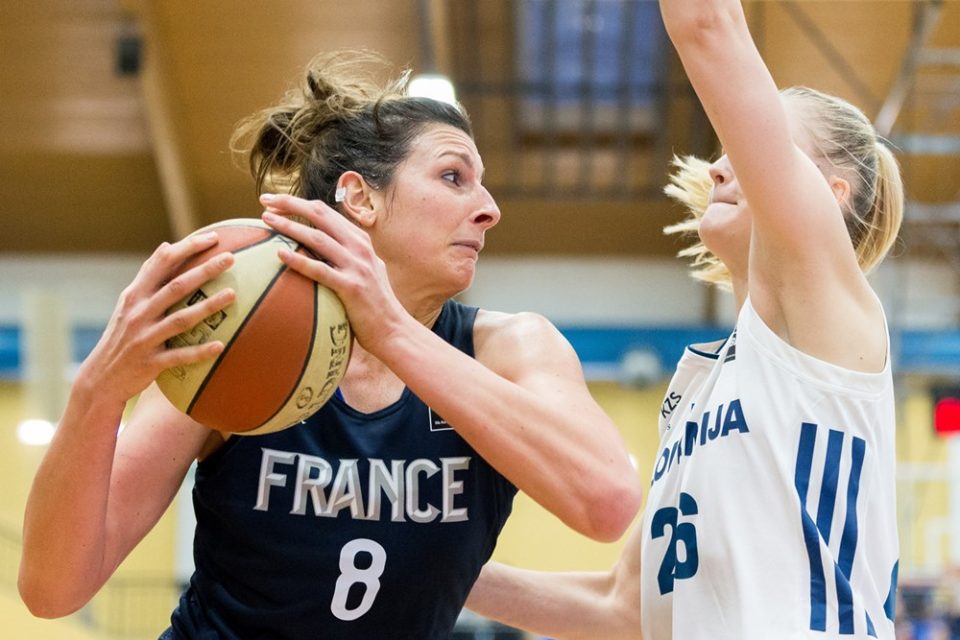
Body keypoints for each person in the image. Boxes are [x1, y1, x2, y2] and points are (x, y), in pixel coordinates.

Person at [17, 51, 642, 640]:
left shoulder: (512, 347)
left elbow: (606, 503)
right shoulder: (241, 334)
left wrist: (390, 330)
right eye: (454, 177)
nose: (490, 209)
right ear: (361, 197)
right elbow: (52, 589)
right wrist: (96, 391)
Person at [467, 0, 905, 637]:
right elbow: (621, 608)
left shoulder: (828, 319)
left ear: (833, 196)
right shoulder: (701, 389)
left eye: (753, 147)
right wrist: (428, 562)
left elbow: (707, 24)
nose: (721, 164)